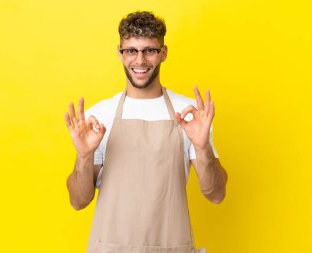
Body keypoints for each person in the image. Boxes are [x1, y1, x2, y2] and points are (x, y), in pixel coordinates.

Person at [64, 11, 228, 253]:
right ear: (120, 53)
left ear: (163, 53)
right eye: (131, 50)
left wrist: (202, 148)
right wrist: (84, 156)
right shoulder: (99, 116)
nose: (140, 60)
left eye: (149, 50)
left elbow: (216, 194)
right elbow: (78, 201)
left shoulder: (190, 115)